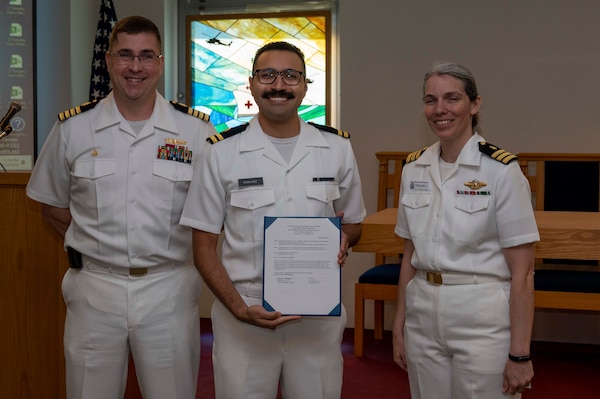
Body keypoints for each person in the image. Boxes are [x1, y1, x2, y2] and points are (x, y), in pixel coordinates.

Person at [26, 16, 217, 399]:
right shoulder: (73, 129)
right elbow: (51, 204)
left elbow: (213, 213)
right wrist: (98, 244)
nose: (135, 67)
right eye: (125, 55)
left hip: (169, 287)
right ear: (110, 60)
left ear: (160, 63)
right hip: (95, 288)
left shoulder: (196, 132)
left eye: (146, 56)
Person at [180, 41, 366, 398]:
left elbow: (354, 223)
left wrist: (344, 239)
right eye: (267, 75)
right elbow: (203, 247)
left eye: (290, 75)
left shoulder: (337, 149)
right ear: (251, 84)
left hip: (317, 318)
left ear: (305, 85)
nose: (279, 85)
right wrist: (238, 308)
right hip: (244, 315)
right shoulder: (220, 152)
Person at [391, 62, 540, 398]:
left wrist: (520, 352)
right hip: (423, 312)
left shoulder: (502, 171)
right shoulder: (413, 168)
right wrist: (399, 324)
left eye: (452, 98)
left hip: (481, 316)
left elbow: (524, 271)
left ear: (474, 105)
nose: (440, 109)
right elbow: (410, 254)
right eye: (431, 100)